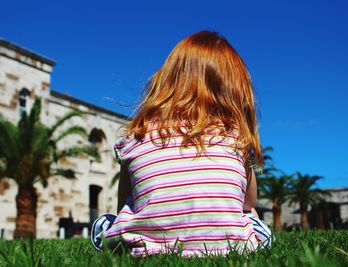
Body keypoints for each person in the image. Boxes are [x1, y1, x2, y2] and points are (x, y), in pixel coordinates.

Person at [91, 30, 272, 256]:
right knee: (253, 217)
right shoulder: (234, 137)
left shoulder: (138, 135)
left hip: (142, 247)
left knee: (108, 222)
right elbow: (248, 202)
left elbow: (124, 204)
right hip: (228, 248)